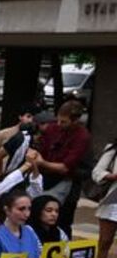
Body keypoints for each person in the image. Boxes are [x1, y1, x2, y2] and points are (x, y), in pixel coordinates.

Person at [34, 100, 91, 234]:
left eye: (64, 122)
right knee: (38, 217)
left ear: (75, 120)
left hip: (67, 182)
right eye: (58, 120)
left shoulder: (82, 137)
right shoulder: (53, 129)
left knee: (62, 222)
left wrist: (42, 162)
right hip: (45, 178)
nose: (59, 124)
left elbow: (65, 167)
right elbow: (42, 148)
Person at [91, 138, 117, 258]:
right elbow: (97, 172)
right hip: (113, 199)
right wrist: (111, 176)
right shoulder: (113, 149)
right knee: (105, 241)